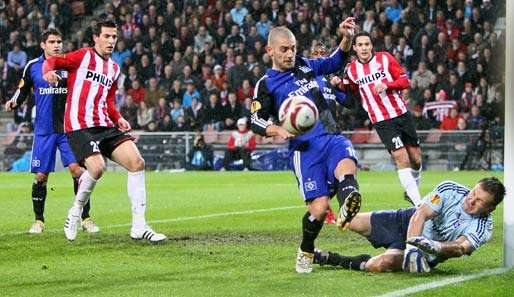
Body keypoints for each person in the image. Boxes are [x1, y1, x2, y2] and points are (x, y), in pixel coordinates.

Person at [250, 18, 360, 273]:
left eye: (293, 48)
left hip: (331, 135)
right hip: (304, 150)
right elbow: (256, 119)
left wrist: (347, 37)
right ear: (270, 51)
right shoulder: (266, 84)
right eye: (284, 50)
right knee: (319, 210)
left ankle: (347, 205)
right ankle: (306, 249)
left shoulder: (305, 66)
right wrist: (276, 128)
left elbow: (334, 62)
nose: (290, 54)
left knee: (346, 167)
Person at [42, 19, 166, 242]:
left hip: (104, 125)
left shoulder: (114, 68)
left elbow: (108, 100)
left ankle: (139, 226)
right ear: (95, 38)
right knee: (97, 169)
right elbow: (52, 61)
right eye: (106, 36)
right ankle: (76, 211)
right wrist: (47, 72)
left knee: (137, 163)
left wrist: (118, 117)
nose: (111, 41)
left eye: (114, 37)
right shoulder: (82, 56)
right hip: (79, 125)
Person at [4, 29, 99, 234]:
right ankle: (39, 221)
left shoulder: (70, 65)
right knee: (41, 176)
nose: (57, 45)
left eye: (59, 41)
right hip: (44, 131)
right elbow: (23, 88)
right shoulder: (33, 66)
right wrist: (14, 102)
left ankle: (85, 218)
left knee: (78, 172)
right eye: (52, 42)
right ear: (43, 45)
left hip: (68, 129)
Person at [313, 177, 506, 273]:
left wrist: (435, 247)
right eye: (473, 193)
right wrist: (413, 245)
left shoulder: (483, 227)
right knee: (349, 221)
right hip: (406, 221)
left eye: (479, 201)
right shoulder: (450, 189)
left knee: (379, 265)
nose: (471, 200)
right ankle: (329, 203)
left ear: (490, 209)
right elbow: (421, 214)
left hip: (426, 253)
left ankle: (332, 259)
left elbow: (460, 247)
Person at [343, 31, 423, 207]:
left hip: (401, 113)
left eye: (367, 44)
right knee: (402, 157)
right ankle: (419, 205)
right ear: (354, 48)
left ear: (371, 46)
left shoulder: (385, 59)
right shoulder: (351, 70)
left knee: (416, 159)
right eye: (360, 45)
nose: (364, 48)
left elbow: (404, 80)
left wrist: (387, 85)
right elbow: (352, 92)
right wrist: (338, 84)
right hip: (381, 120)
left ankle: (412, 192)